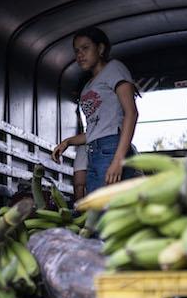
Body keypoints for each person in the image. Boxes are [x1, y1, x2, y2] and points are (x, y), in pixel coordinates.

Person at [52, 27, 139, 193]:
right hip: (94, 152)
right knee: (96, 211)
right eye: (76, 51)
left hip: (111, 148)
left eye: (85, 48)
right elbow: (95, 129)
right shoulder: (87, 86)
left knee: (107, 210)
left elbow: (132, 113)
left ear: (100, 49)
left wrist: (118, 160)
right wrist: (68, 142)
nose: (79, 55)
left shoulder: (114, 69)